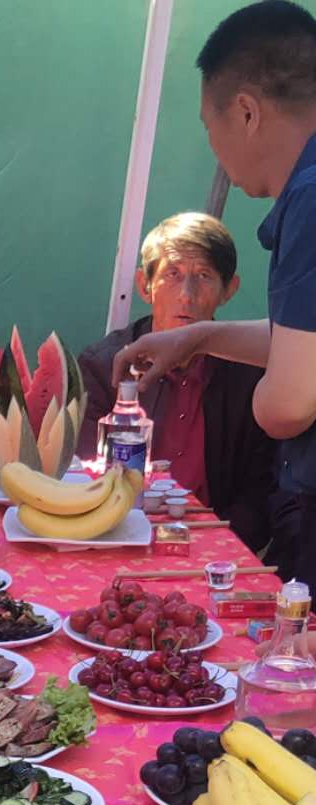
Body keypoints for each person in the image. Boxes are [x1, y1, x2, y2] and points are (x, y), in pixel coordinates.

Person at [112, 0, 316, 591]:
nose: (213, 147)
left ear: (246, 112)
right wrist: (201, 337)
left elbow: (289, 403)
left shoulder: (309, 198)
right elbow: (305, 343)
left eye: (209, 125)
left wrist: (263, 400)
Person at [78, 211, 285, 560]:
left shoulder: (252, 374)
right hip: (114, 537)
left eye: (204, 276)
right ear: (144, 285)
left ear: (229, 290)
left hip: (213, 547)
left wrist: (217, 545)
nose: (187, 295)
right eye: (172, 274)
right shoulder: (103, 366)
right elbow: (82, 472)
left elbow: (261, 489)